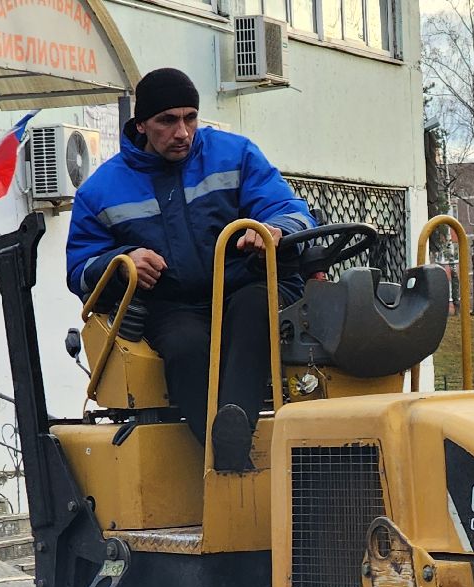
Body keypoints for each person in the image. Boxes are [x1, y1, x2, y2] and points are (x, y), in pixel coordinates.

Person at [66, 67, 318, 472]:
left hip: (245, 285)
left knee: (254, 309)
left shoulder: (236, 155)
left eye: (190, 117)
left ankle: (233, 428)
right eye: (167, 121)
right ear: (142, 124)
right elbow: (80, 268)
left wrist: (273, 231)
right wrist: (123, 262)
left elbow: (288, 210)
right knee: (184, 347)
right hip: (172, 305)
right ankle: (226, 455)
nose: (181, 131)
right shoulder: (101, 190)